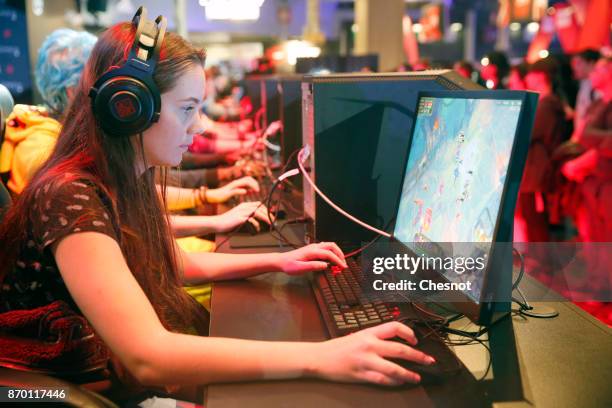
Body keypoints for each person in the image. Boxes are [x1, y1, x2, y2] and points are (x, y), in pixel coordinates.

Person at [0, 13, 433, 401]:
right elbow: (148, 356)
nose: (195, 127)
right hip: (72, 389)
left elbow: (169, 262)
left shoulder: (126, 177)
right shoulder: (69, 196)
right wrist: (322, 357)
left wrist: (280, 262)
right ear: (129, 109)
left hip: (103, 372)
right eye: (187, 109)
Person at [570, 49, 601, 131]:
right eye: (573, 64)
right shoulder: (584, 83)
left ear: (591, 63)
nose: (574, 67)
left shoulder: (599, 88)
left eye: (578, 63)